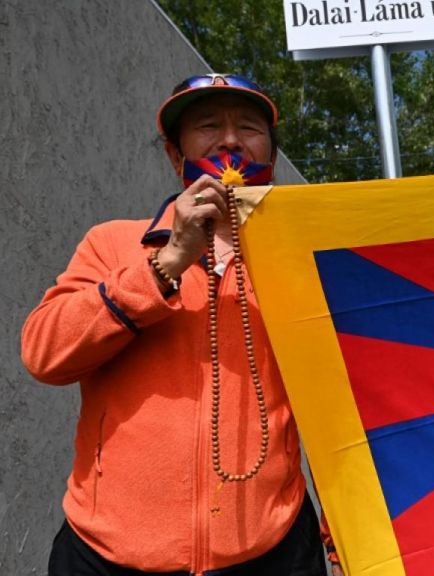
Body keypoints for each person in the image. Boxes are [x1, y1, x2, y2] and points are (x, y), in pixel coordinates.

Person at [22, 74, 336, 575]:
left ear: (272, 157)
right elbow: (44, 355)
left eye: (249, 128)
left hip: (273, 551)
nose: (230, 141)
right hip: (105, 556)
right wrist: (165, 264)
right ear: (175, 155)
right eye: (208, 126)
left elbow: (335, 409)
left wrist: (342, 534)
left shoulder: (306, 264)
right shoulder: (112, 244)